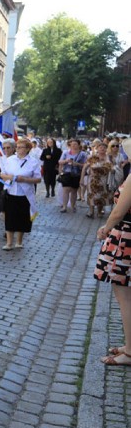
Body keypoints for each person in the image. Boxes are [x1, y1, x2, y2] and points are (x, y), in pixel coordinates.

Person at [94, 147, 131, 367]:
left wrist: (106, 228)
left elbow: (119, 211)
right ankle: (129, 345)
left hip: (125, 239)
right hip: (126, 237)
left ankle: (130, 352)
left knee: (124, 297)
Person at [0, 138, 42, 250]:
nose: (17, 149)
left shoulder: (33, 162)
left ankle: (19, 241)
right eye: (17, 147)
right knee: (10, 218)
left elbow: (38, 179)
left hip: (25, 195)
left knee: (22, 218)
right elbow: (2, 174)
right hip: (11, 192)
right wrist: (10, 177)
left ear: (27, 149)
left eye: (20, 147)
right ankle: (9, 243)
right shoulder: (10, 160)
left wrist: (25, 179)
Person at [83, 141, 112, 218]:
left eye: (104, 147)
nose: (102, 149)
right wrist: (81, 179)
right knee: (91, 195)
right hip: (92, 180)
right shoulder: (92, 157)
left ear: (106, 149)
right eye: (100, 147)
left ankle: (99, 211)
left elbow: (111, 168)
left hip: (104, 180)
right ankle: (91, 211)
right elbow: (84, 167)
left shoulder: (108, 157)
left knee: (101, 196)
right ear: (97, 149)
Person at [58, 138, 86, 213]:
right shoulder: (65, 152)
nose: (73, 146)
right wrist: (66, 161)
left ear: (78, 145)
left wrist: (76, 164)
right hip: (66, 173)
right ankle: (64, 207)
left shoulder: (82, 154)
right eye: (72, 144)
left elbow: (85, 165)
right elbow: (60, 162)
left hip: (76, 174)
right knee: (65, 190)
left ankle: (73, 206)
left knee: (74, 191)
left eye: (75, 144)